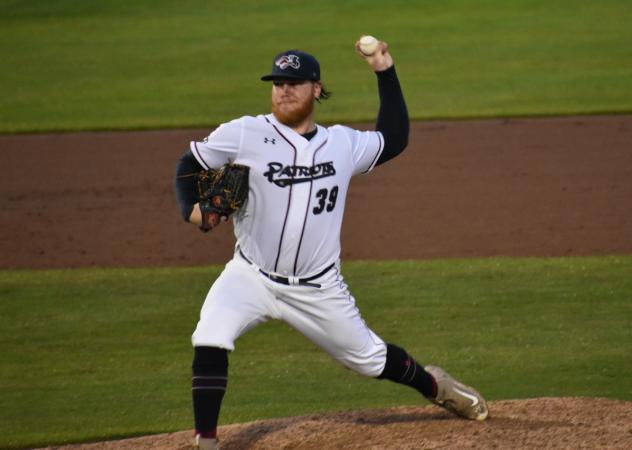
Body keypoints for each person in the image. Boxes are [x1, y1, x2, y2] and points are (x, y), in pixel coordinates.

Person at [175, 39, 489, 450]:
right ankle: (207, 442)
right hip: (250, 275)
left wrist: (384, 68)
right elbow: (190, 164)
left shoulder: (342, 144)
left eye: (295, 82)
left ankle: (436, 385)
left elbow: (393, 138)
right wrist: (193, 211)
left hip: (318, 287)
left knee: (373, 360)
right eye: (278, 83)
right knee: (210, 336)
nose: (284, 89)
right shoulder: (245, 132)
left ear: (317, 89)